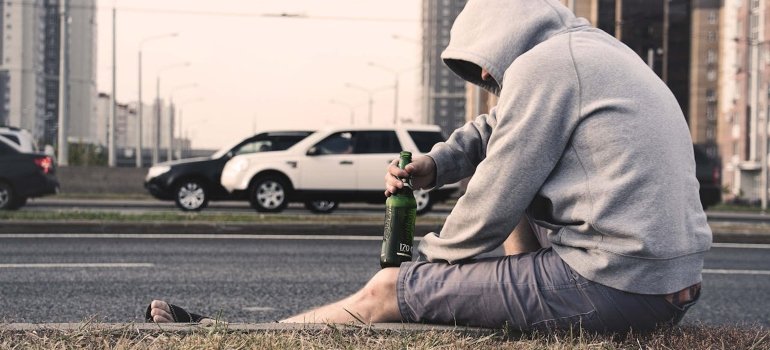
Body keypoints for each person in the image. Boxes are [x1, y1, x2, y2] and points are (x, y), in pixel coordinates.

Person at [148, 0, 711, 333]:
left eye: (483, 69)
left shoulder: (548, 67)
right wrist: (435, 164)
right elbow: (498, 131)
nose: (487, 83)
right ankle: (524, 311)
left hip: (618, 287)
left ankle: (245, 335)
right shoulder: (593, 51)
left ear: (497, 38)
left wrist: (423, 271)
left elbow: (495, 194)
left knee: (386, 293)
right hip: (670, 281)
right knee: (499, 166)